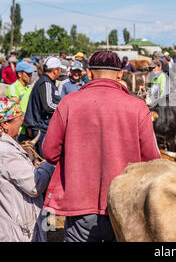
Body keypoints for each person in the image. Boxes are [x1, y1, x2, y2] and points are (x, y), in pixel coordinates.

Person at [41, 51, 160, 242]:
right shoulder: (138, 107)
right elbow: (153, 159)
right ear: (120, 75)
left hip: (79, 206)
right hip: (124, 206)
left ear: (89, 73)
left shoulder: (68, 103)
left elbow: (49, 152)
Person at [0, 98, 54, 242]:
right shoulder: (7, 152)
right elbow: (34, 186)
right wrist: (48, 166)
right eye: (18, 118)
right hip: (17, 230)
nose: (21, 122)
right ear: (5, 124)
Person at [24, 57, 62, 157]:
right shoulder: (46, 83)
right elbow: (48, 106)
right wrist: (64, 108)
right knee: (43, 160)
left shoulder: (48, 82)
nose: (60, 73)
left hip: (43, 127)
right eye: (60, 70)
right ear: (55, 71)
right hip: (41, 129)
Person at [6, 62, 35, 141]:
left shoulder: (29, 89)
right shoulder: (13, 88)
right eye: (28, 74)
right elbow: (16, 110)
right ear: (19, 74)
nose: (30, 76)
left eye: (31, 73)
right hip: (17, 130)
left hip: (26, 129)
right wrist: (28, 127)